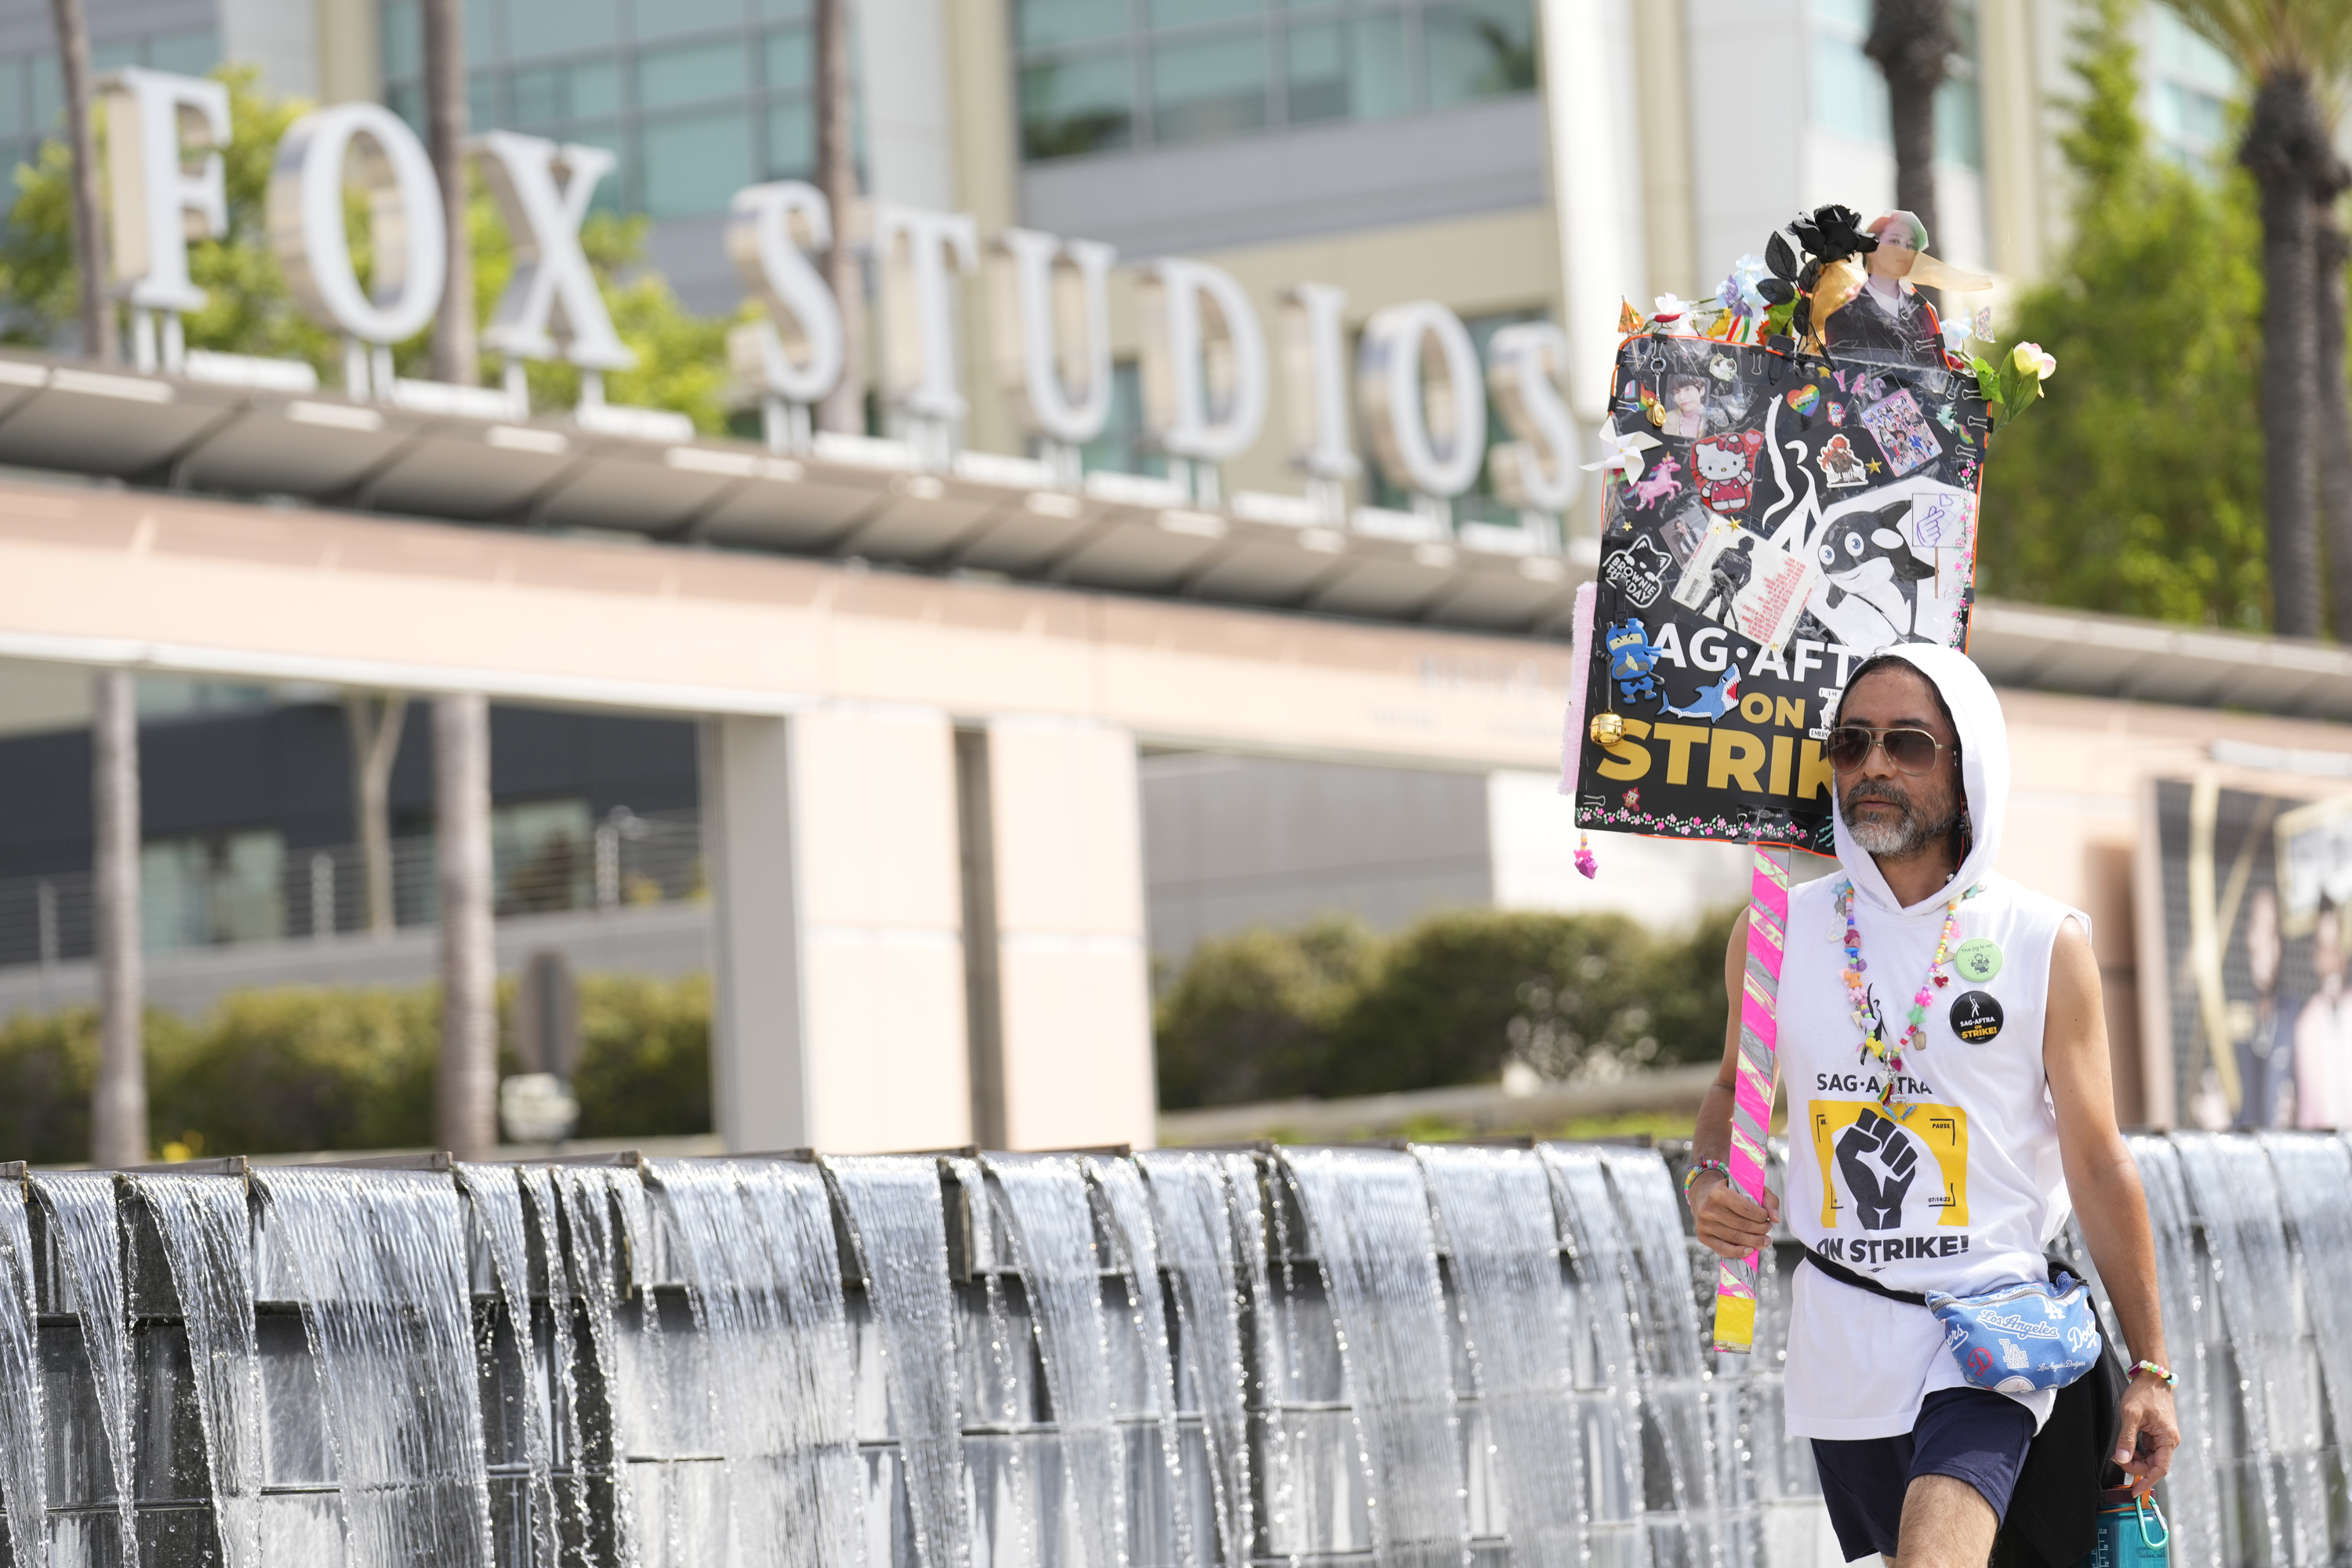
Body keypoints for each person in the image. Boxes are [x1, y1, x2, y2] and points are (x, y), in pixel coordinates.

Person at [1687, 645, 2177, 1568]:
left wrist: (2152, 1366)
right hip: (1845, 1340)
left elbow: (2101, 1159)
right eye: (1852, 742)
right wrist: (1709, 1176)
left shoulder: (2043, 940)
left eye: (1907, 742)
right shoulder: (1773, 931)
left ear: (1969, 767)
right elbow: (1729, 1091)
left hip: (1994, 1336)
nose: (1872, 764)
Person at [2236, 885, 2294, 1128]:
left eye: (2272, 933)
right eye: (2257, 928)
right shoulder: (2233, 1016)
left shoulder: (2295, 1017)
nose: (2264, 946)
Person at [2295, 901, 2350, 1128]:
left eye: (2336, 947)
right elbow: (2307, 1111)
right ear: (2315, 957)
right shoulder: (2306, 1026)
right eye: (2325, 949)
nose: (2332, 961)